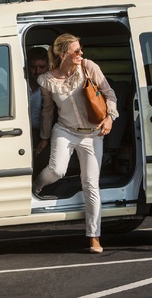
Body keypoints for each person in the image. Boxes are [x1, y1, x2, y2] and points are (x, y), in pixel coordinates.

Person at [33, 33, 118, 254]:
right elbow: (47, 110)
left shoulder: (88, 67)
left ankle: (94, 237)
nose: (81, 54)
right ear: (63, 54)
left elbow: (110, 94)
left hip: (92, 134)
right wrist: (44, 138)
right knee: (56, 170)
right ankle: (36, 186)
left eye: (81, 50)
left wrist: (109, 117)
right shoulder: (47, 80)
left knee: (90, 183)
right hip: (65, 130)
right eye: (76, 51)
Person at [27, 47, 49, 175]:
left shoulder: (51, 87)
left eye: (42, 67)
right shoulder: (20, 84)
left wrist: (45, 139)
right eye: (33, 67)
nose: (37, 71)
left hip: (43, 134)